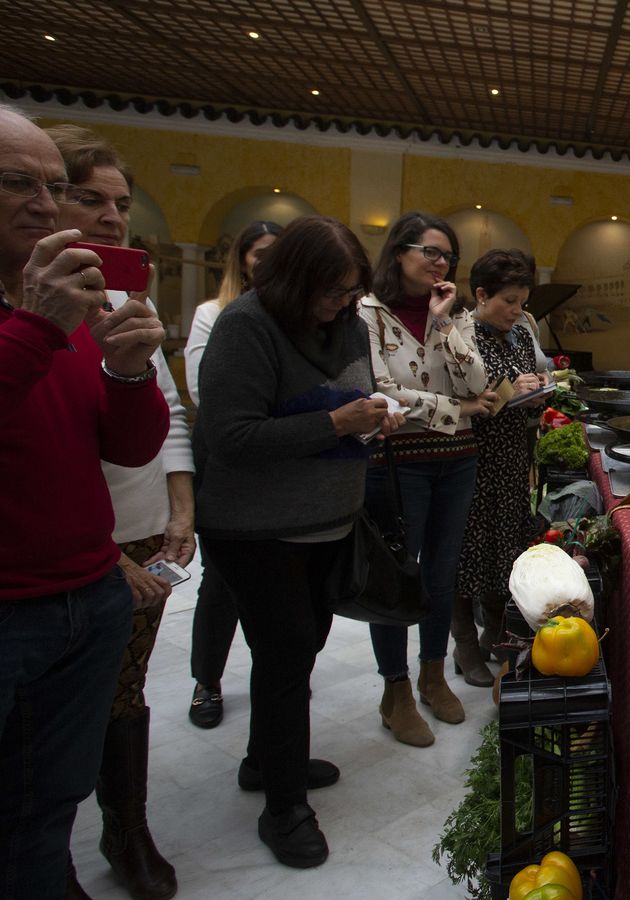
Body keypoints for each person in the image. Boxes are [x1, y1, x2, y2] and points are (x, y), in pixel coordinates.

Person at [0, 105, 169, 900]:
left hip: (82, 599)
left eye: (51, 185)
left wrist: (130, 373)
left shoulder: (71, 314)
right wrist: (38, 324)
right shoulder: (43, 316)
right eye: (17, 183)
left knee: (46, 805)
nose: (43, 202)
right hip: (10, 610)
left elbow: (127, 449)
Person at [195, 214, 400, 868]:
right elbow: (232, 438)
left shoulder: (347, 322)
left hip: (326, 522)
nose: (341, 306)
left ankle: (266, 759)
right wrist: (336, 420)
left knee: (300, 645)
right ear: (290, 280)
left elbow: (355, 396)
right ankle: (284, 809)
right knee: (285, 655)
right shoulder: (246, 326)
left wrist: (372, 421)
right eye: (330, 292)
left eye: (350, 293)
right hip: (256, 529)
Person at [46, 122, 193, 900]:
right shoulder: (34, 306)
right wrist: (112, 557)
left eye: (121, 203)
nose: (110, 217)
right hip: (67, 547)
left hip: (139, 525)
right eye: (87, 198)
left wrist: (180, 507)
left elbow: (162, 408)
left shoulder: (121, 297)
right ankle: (50, 851)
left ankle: (126, 827)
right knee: (54, 709)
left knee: (124, 688)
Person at [359, 212, 493, 746]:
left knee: (441, 574)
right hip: (397, 463)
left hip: (457, 459)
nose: (442, 263)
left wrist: (442, 323)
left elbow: (480, 379)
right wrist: (460, 407)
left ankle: (434, 676)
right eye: (431, 252)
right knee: (396, 577)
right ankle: (395, 692)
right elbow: (381, 389)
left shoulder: (452, 314)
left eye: (448, 256)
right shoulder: (366, 312)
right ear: (399, 253)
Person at [184, 219, 281, 729]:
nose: (266, 262)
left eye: (277, 253)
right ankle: (207, 680)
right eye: (258, 253)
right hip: (228, 465)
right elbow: (206, 393)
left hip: (282, 468)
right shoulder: (212, 313)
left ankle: (277, 681)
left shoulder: (294, 316)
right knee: (220, 580)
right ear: (241, 259)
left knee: (278, 584)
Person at [455, 250, 548, 686]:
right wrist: (516, 388)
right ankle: (464, 644)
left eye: (522, 302)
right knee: (468, 548)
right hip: (473, 454)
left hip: (512, 453)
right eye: (509, 300)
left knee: (506, 541)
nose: (517, 310)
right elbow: (462, 396)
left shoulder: (523, 331)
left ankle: (495, 632)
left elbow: (528, 378)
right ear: (481, 295)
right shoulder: (460, 333)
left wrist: (541, 386)